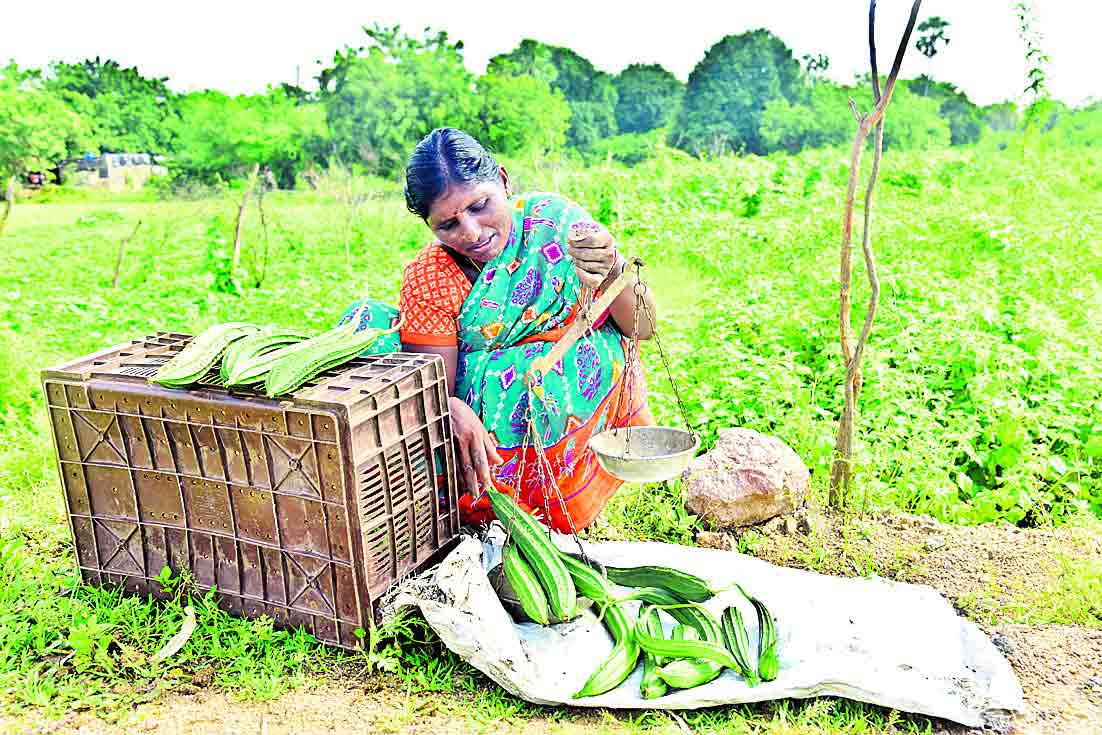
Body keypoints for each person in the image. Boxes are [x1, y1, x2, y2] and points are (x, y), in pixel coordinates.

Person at [344, 127, 657, 532]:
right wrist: (451, 407)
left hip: (561, 374)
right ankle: (471, 511)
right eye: (448, 225)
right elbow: (432, 383)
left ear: (504, 181)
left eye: (479, 205)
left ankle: (557, 504)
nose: (471, 233)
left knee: (550, 372)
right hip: (480, 411)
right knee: (406, 384)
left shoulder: (557, 225)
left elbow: (642, 328)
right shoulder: (431, 276)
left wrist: (612, 267)